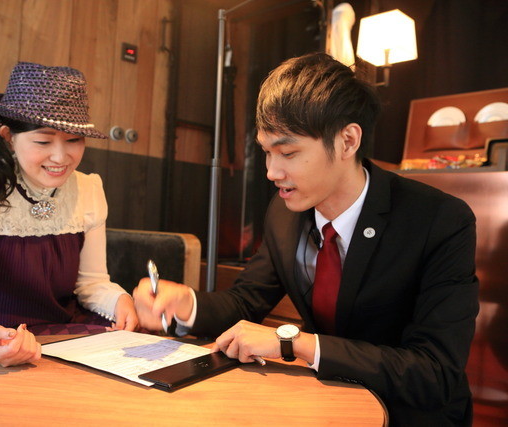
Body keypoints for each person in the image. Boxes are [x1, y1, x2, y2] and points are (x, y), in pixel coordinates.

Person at [133, 52, 479, 425]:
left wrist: (293, 343)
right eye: (266, 153)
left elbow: (435, 371)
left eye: (288, 152)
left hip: (408, 415)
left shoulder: (439, 220)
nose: (271, 171)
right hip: (323, 402)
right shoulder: (285, 212)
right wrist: (186, 304)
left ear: (347, 141)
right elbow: (247, 301)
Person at [0, 62, 138, 367]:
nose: (61, 157)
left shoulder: (88, 188)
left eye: (73, 140)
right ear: (8, 136)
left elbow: (92, 284)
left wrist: (119, 300)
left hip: (58, 329)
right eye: (43, 141)